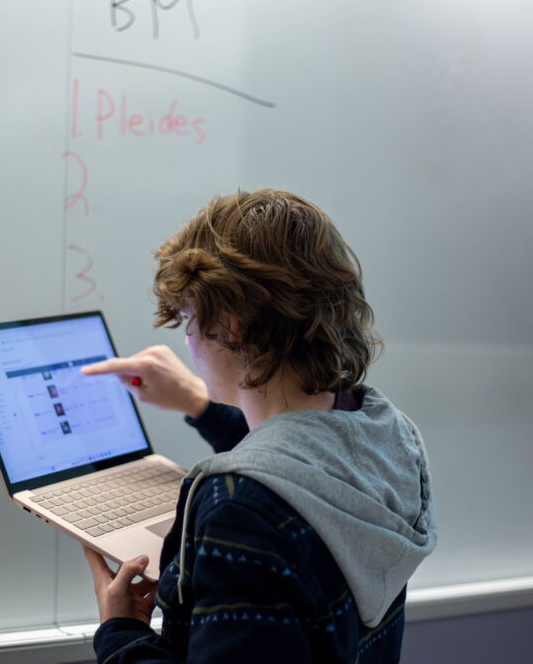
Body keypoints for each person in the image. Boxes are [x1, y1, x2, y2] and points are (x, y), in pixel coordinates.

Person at [80, 189, 436, 663]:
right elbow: (304, 467)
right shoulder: (385, 432)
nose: (186, 340)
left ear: (231, 327)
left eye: (187, 318)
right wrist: (198, 403)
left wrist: (121, 633)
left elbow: (267, 490)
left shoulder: (238, 508)